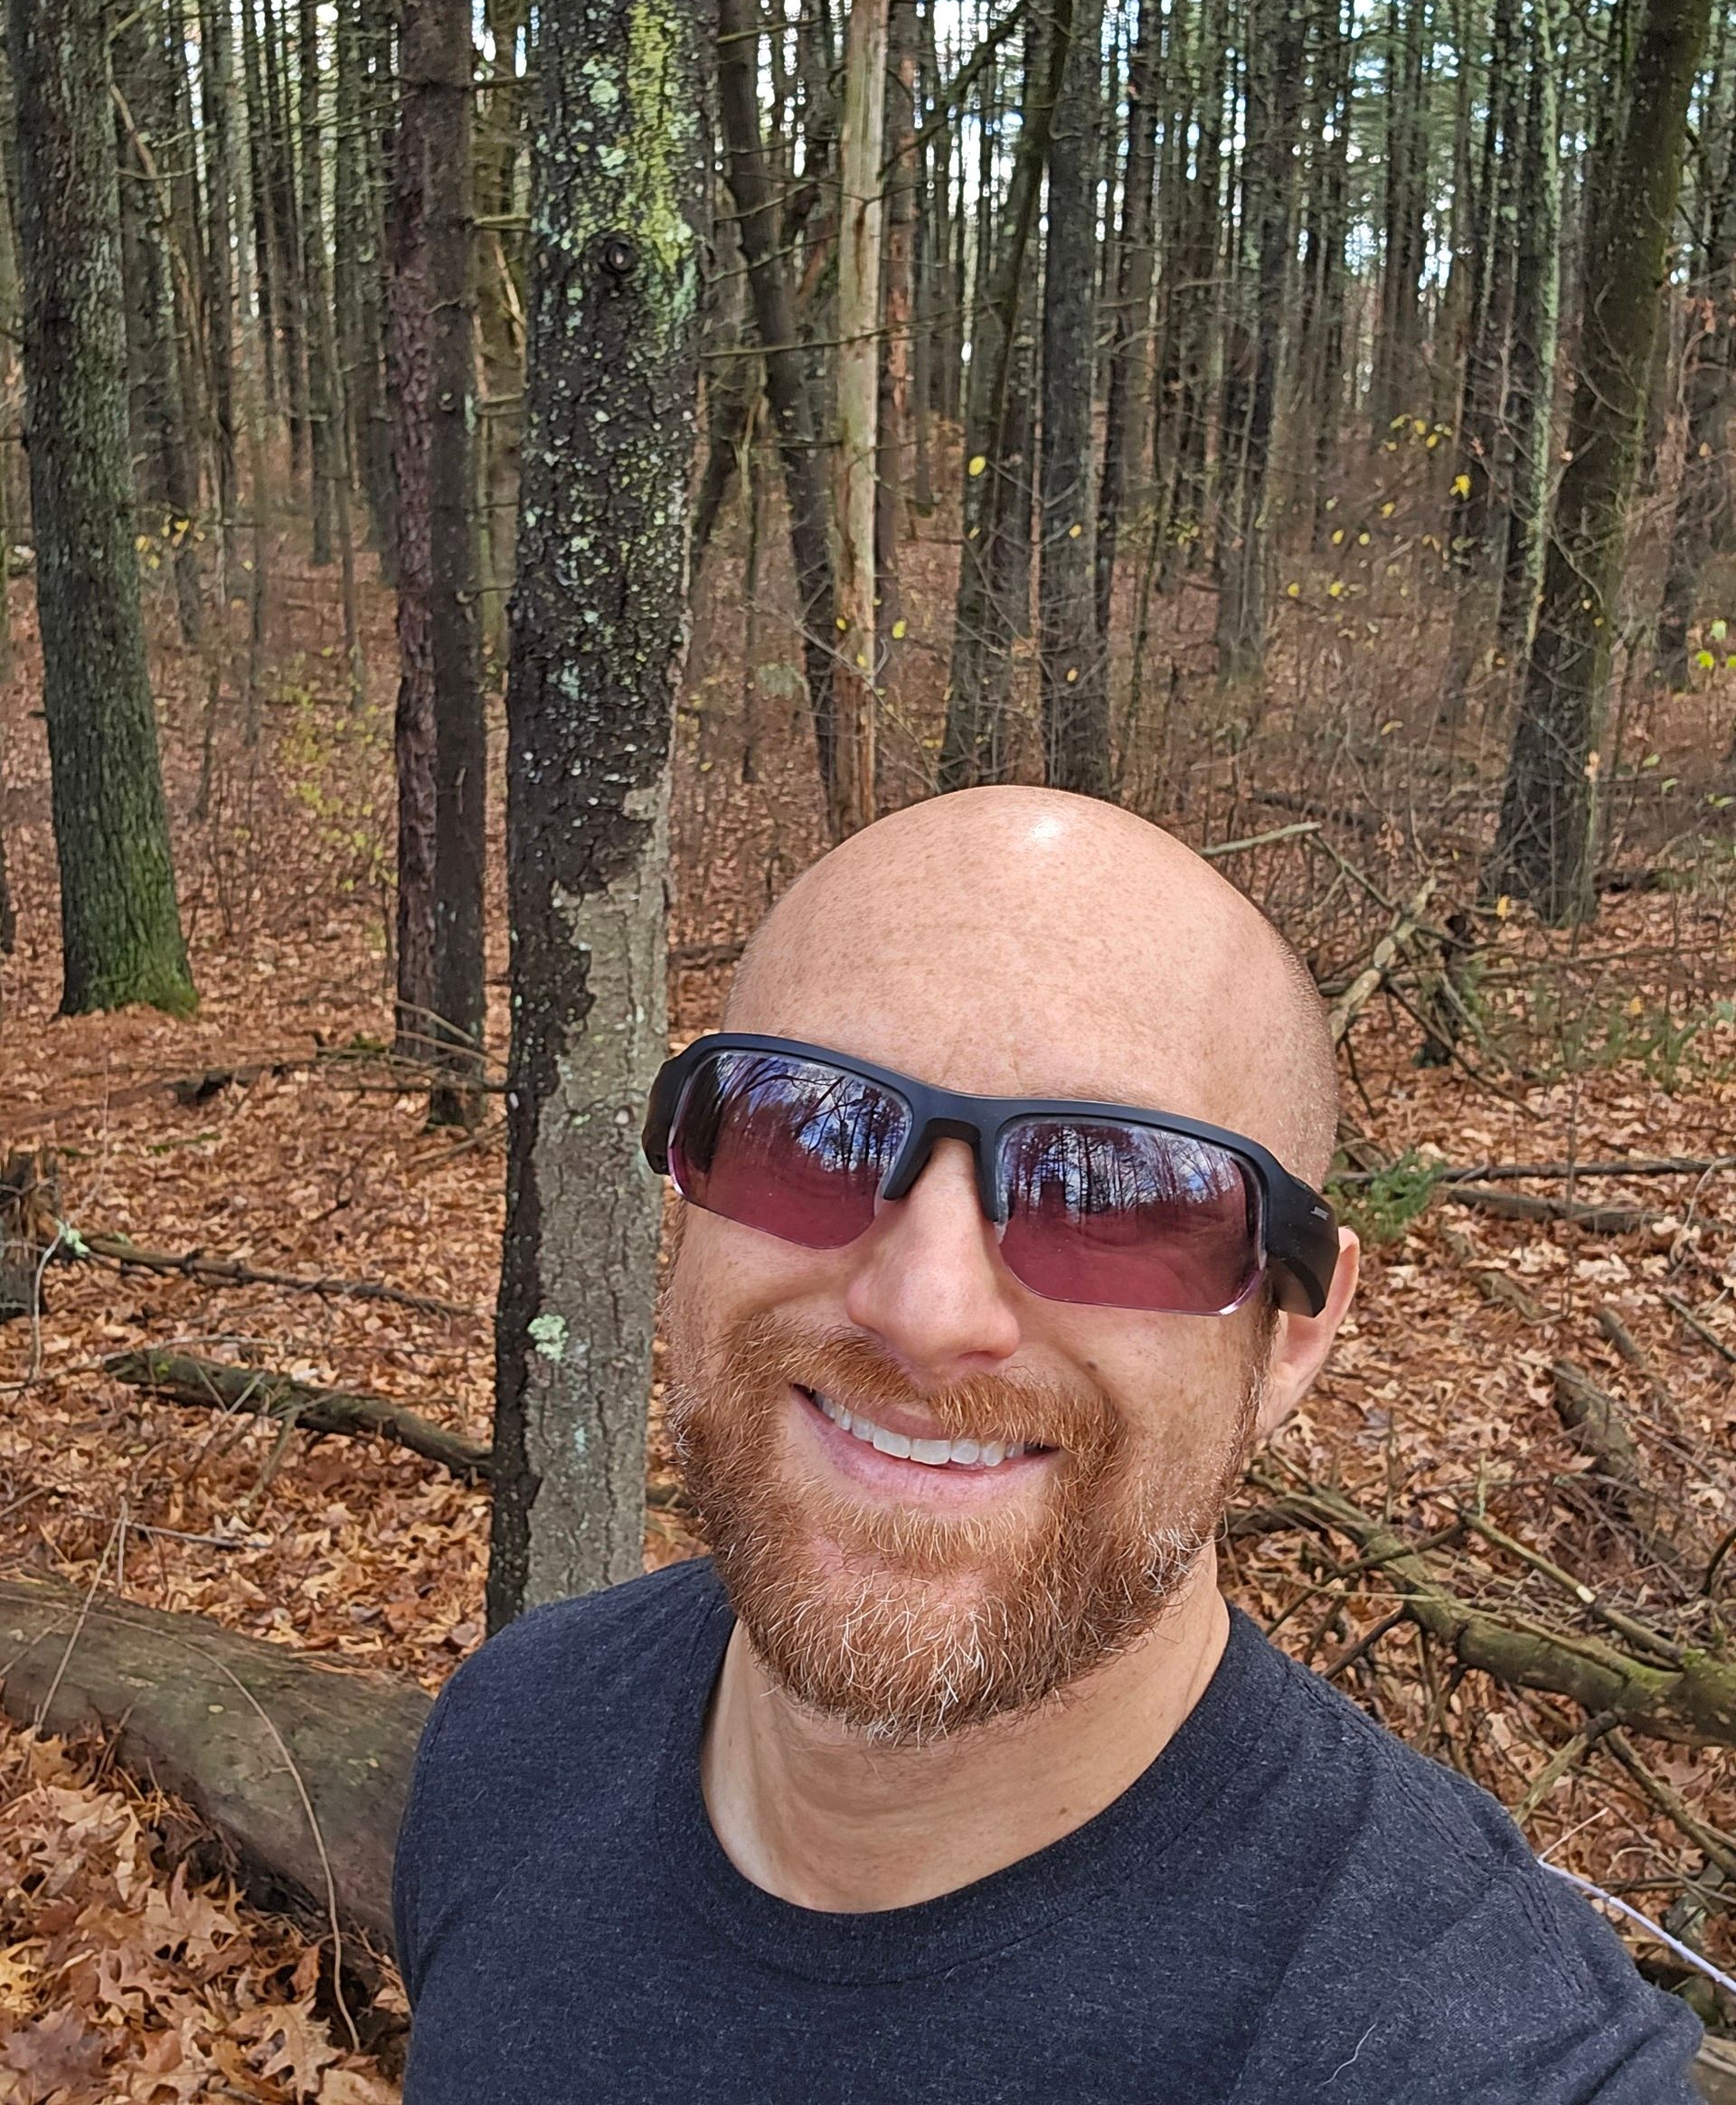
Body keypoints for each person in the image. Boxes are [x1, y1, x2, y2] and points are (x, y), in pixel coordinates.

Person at [392, 787, 1702, 2102]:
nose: (924, 1309)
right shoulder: (511, 1741)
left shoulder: (1475, 2050)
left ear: (1294, 1333)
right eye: (813, 1134)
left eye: (1118, 1194)